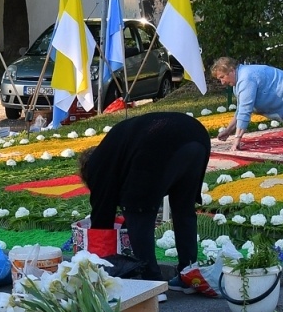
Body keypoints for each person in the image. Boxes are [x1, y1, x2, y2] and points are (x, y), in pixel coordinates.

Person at [77, 112, 218, 295]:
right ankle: (188, 274)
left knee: (137, 209)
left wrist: (99, 259)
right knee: (183, 209)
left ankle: (151, 284)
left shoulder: (98, 165)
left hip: (158, 145)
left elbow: (102, 211)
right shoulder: (117, 149)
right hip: (195, 135)